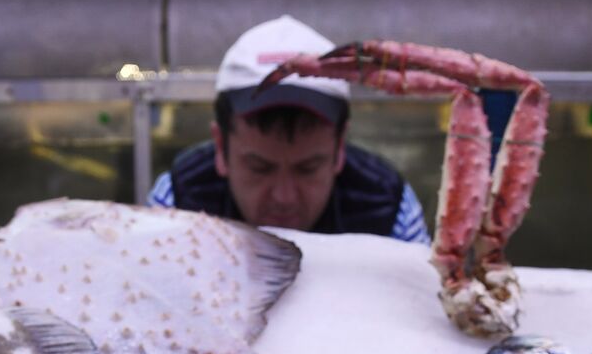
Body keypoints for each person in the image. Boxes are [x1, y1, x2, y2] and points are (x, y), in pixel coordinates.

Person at [149, 15, 430, 244]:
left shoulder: (392, 209)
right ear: (221, 148)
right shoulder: (174, 202)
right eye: (259, 167)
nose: (284, 197)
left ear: (339, 148)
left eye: (307, 168)